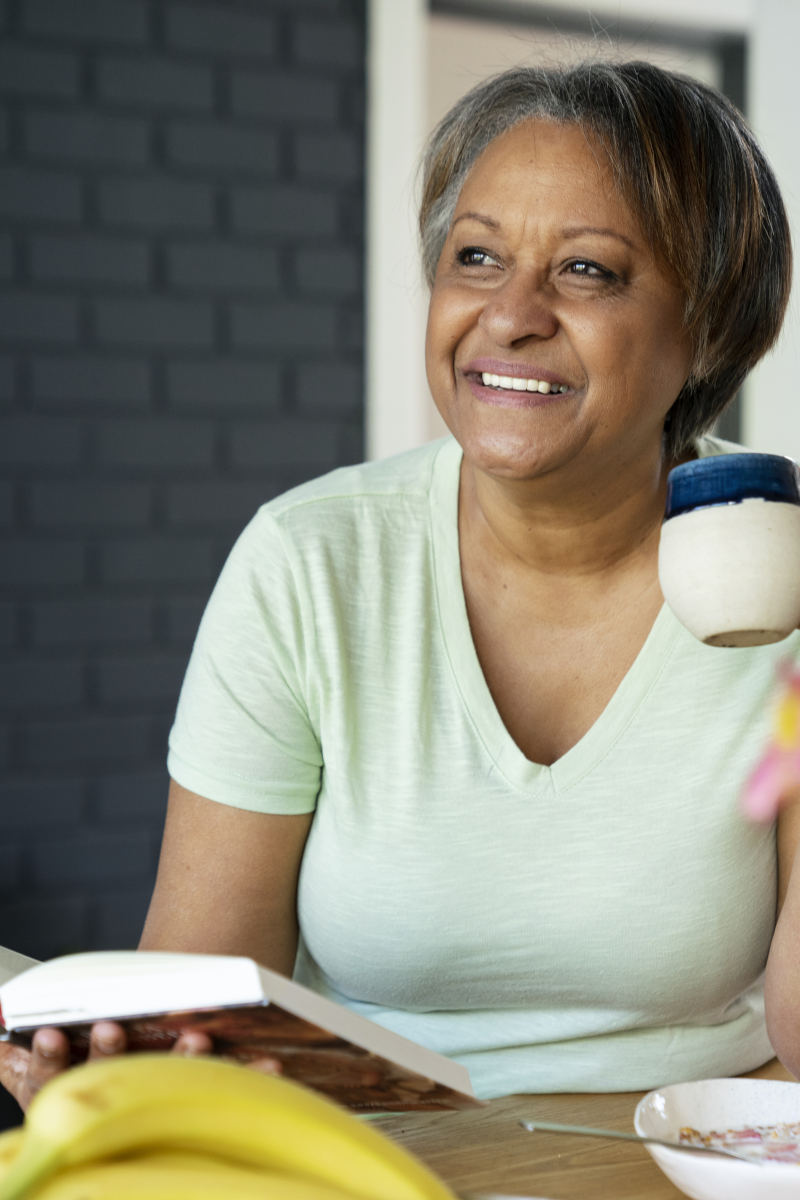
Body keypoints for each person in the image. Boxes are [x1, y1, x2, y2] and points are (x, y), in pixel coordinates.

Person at [3, 58, 799, 1114]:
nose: (508, 315)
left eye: (587, 271)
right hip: (371, 1159)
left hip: (685, 1158)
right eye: (475, 257)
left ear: (707, 325)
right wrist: (126, 1064)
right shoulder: (308, 564)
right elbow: (200, 996)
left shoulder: (776, 573)